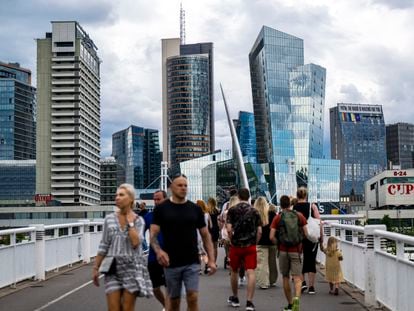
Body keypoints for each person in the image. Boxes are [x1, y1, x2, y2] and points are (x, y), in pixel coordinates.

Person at [150, 174, 217, 311]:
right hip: (171, 263)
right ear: (171, 188)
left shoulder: (195, 209)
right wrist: (159, 251)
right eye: (179, 185)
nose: (183, 188)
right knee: (174, 302)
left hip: (192, 261)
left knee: (192, 296)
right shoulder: (161, 209)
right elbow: (153, 235)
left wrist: (211, 259)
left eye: (185, 185)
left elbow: (205, 235)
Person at [93, 184, 153, 311]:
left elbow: (136, 242)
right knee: (113, 308)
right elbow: (104, 245)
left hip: (132, 269)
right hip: (113, 268)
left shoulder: (138, 220)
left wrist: (128, 220)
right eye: (116, 195)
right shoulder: (109, 219)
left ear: (131, 198)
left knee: (127, 308)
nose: (117, 198)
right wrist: (96, 267)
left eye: (121, 195)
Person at [270, 195, 308, 311]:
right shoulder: (299, 216)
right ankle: (297, 299)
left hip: (283, 251)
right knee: (297, 278)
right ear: (291, 204)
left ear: (281, 205)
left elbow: (271, 237)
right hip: (296, 250)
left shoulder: (278, 218)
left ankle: (290, 304)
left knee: (285, 277)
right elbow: (306, 234)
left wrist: (279, 243)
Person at [226, 188, 262, 311]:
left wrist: (231, 239)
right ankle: (249, 302)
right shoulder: (255, 211)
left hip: (236, 246)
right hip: (250, 246)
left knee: (234, 271)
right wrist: (255, 243)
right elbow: (259, 231)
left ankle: (235, 298)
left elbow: (229, 229)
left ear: (239, 197)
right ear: (248, 197)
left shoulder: (232, 210)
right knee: (251, 272)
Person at [293, 187, 321, 295]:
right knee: (311, 260)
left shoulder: (294, 207)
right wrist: (321, 237)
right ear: (306, 195)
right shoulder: (312, 206)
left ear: (297, 195)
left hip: (299, 237)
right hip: (311, 237)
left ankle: (302, 282)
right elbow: (319, 221)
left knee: (299, 261)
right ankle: (311, 287)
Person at [144, 190, 169, 310]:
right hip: (153, 257)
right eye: (154, 199)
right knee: (155, 288)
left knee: (169, 286)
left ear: (165, 199)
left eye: (158, 199)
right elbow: (138, 232)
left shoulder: (173, 215)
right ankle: (165, 305)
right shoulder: (149, 216)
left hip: (171, 256)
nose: (156, 201)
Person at [254, 196, 278, 289]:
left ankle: (264, 283)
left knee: (262, 263)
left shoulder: (256, 215)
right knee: (272, 262)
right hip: (272, 241)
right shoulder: (272, 214)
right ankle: (272, 280)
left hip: (260, 242)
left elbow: (257, 230)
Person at [207, 197, 220, 264]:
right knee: (215, 247)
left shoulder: (207, 211)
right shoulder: (217, 210)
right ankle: (214, 262)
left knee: (209, 246)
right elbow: (218, 221)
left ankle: (210, 261)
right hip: (215, 229)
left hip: (209, 230)